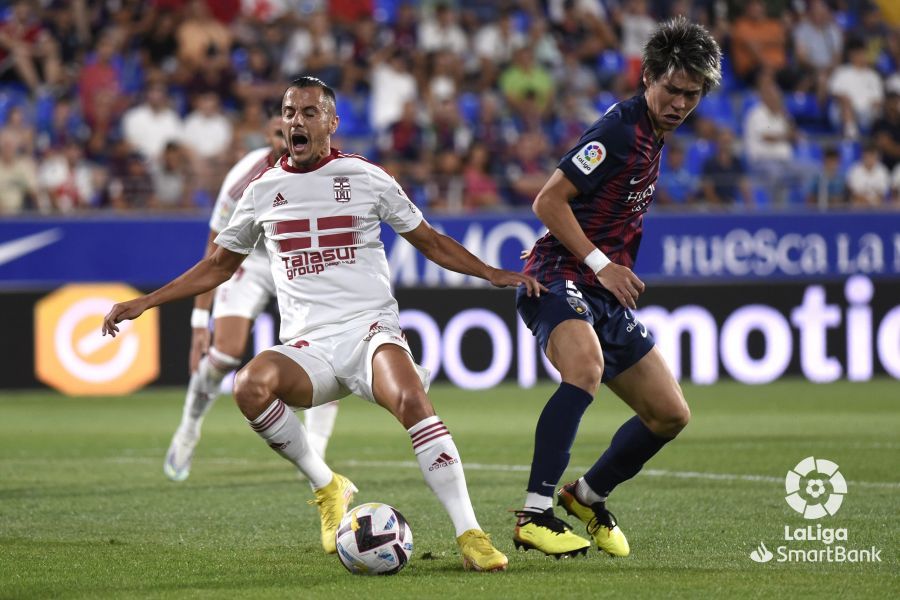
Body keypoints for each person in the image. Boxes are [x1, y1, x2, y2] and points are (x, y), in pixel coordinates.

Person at [103, 76, 544, 571]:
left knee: (412, 399)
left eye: (309, 113)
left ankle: (471, 536)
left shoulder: (366, 177)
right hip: (308, 347)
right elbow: (218, 266)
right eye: (290, 112)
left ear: (332, 124)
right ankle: (328, 484)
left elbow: (431, 240)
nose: (297, 121)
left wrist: (490, 273)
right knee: (248, 384)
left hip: (369, 331)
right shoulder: (260, 190)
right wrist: (148, 301)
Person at [513, 17, 721, 558]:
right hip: (560, 275)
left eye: (691, 95)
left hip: (602, 291)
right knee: (584, 370)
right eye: (671, 90)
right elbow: (547, 201)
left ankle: (586, 495)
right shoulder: (621, 130)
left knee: (670, 414)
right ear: (648, 76)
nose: (679, 103)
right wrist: (602, 262)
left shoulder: (654, 136)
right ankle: (534, 514)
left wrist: (605, 271)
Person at [164, 104, 340, 482]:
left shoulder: (328, 170)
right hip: (250, 262)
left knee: (329, 347)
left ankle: (317, 452)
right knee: (225, 354)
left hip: (297, 258)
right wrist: (200, 320)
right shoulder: (244, 176)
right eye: (280, 132)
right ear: (268, 136)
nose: (289, 137)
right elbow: (215, 246)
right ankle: (189, 426)